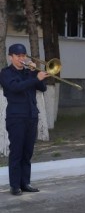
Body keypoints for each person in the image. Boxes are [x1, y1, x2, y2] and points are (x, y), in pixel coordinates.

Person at [0, 43, 47, 195]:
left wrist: (34, 73)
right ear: (11, 57)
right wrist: (34, 79)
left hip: (32, 116)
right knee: (17, 151)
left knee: (28, 152)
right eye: (18, 56)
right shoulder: (6, 73)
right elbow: (15, 87)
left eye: (23, 56)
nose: (22, 59)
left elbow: (43, 88)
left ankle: (25, 183)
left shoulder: (29, 73)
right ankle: (15, 185)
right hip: (16, 117)